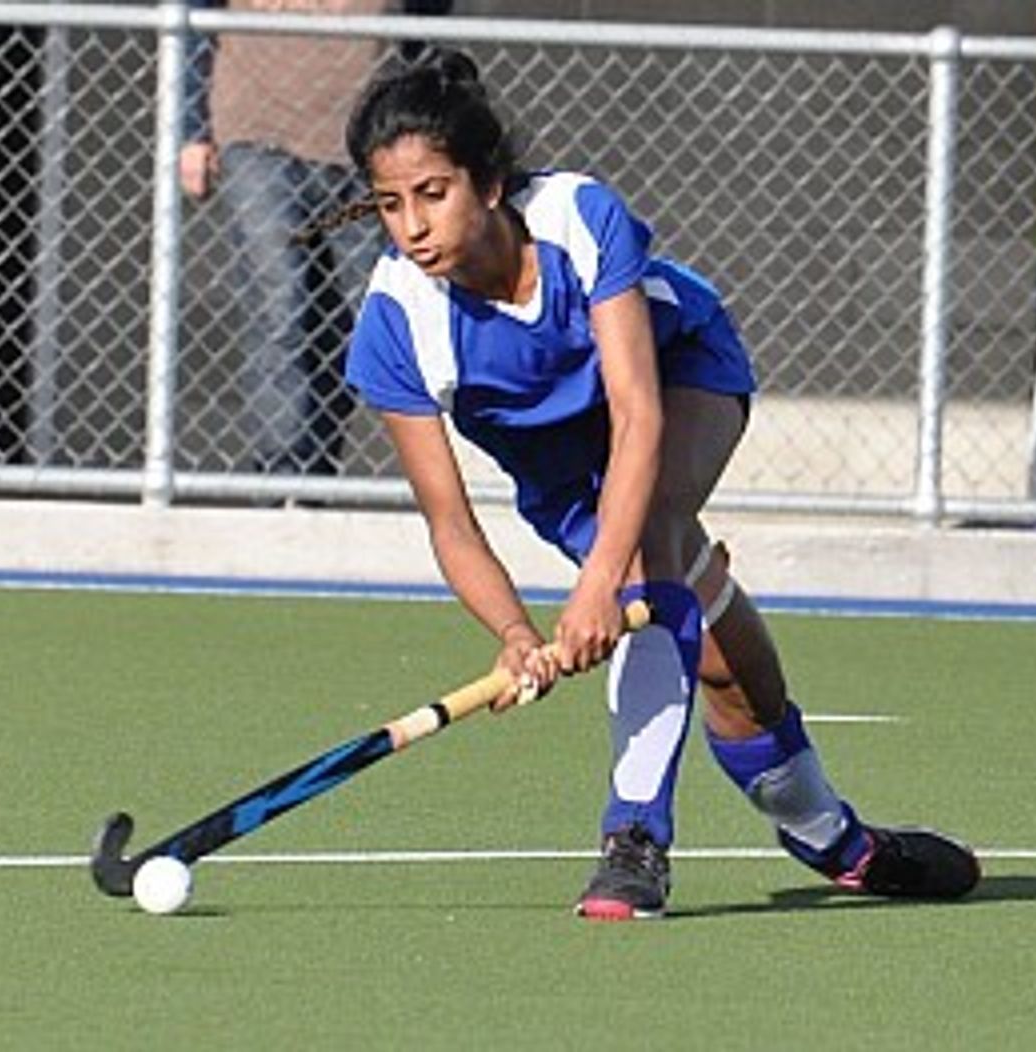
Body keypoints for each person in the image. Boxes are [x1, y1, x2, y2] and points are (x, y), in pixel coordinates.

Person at [342, 49, 981, 920]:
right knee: (725, 669)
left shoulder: (576, 218)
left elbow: (638, 414)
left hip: (680, 377)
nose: (412, 226)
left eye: (432, 193)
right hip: (566, 476)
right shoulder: (394, 323)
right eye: (389, 204)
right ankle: (837, 841)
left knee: (652, 547)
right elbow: (450, 522)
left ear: (487, 185)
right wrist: (516, 634)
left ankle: (633, 837)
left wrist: (600, 583)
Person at [180, 0, 450, 479]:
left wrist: (417, 119)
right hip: (257, 131)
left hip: (365, 141)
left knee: (365, 316)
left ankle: (325, 468)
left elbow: (427, 22)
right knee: (278, 306)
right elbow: (191, 17)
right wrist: (192, 129)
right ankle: (283, 475)